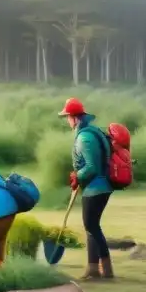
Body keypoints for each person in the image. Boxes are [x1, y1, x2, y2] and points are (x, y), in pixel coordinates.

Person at [60, 97, 115, 280]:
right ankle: (96, 269)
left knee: (91, 226)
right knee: (92, 227)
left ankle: (104, 269)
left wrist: (78, 176)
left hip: (96, 189)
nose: (67, 120)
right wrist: (78, 177)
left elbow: (91, 167)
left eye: (68, 116)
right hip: (99, 187)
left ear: (75, 118)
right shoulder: (90, 132)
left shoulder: (84, 137)